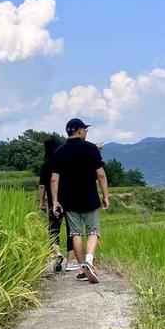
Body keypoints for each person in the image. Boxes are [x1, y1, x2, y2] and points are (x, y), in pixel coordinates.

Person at [50, 118, 109, 285]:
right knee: (93, 232)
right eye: (85, 129)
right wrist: (106, 196)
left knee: (75, 234)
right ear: (79, 131)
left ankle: (83, 270)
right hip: (90, 197)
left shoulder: (59, 152)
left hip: (69, 200)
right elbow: (101, 174)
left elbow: (54, 179)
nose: (86, 132)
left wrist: (55, 201)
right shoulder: (91, 148)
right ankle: (89, 261)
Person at [38, 138, 78, 272]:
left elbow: (42, 186)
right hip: (69, 200)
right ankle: (70, 262)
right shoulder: (65, 162)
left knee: (53, 229)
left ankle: (57, 254)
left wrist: (41, 202)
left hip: (54, 202)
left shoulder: (46, 165)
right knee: (71, 230)